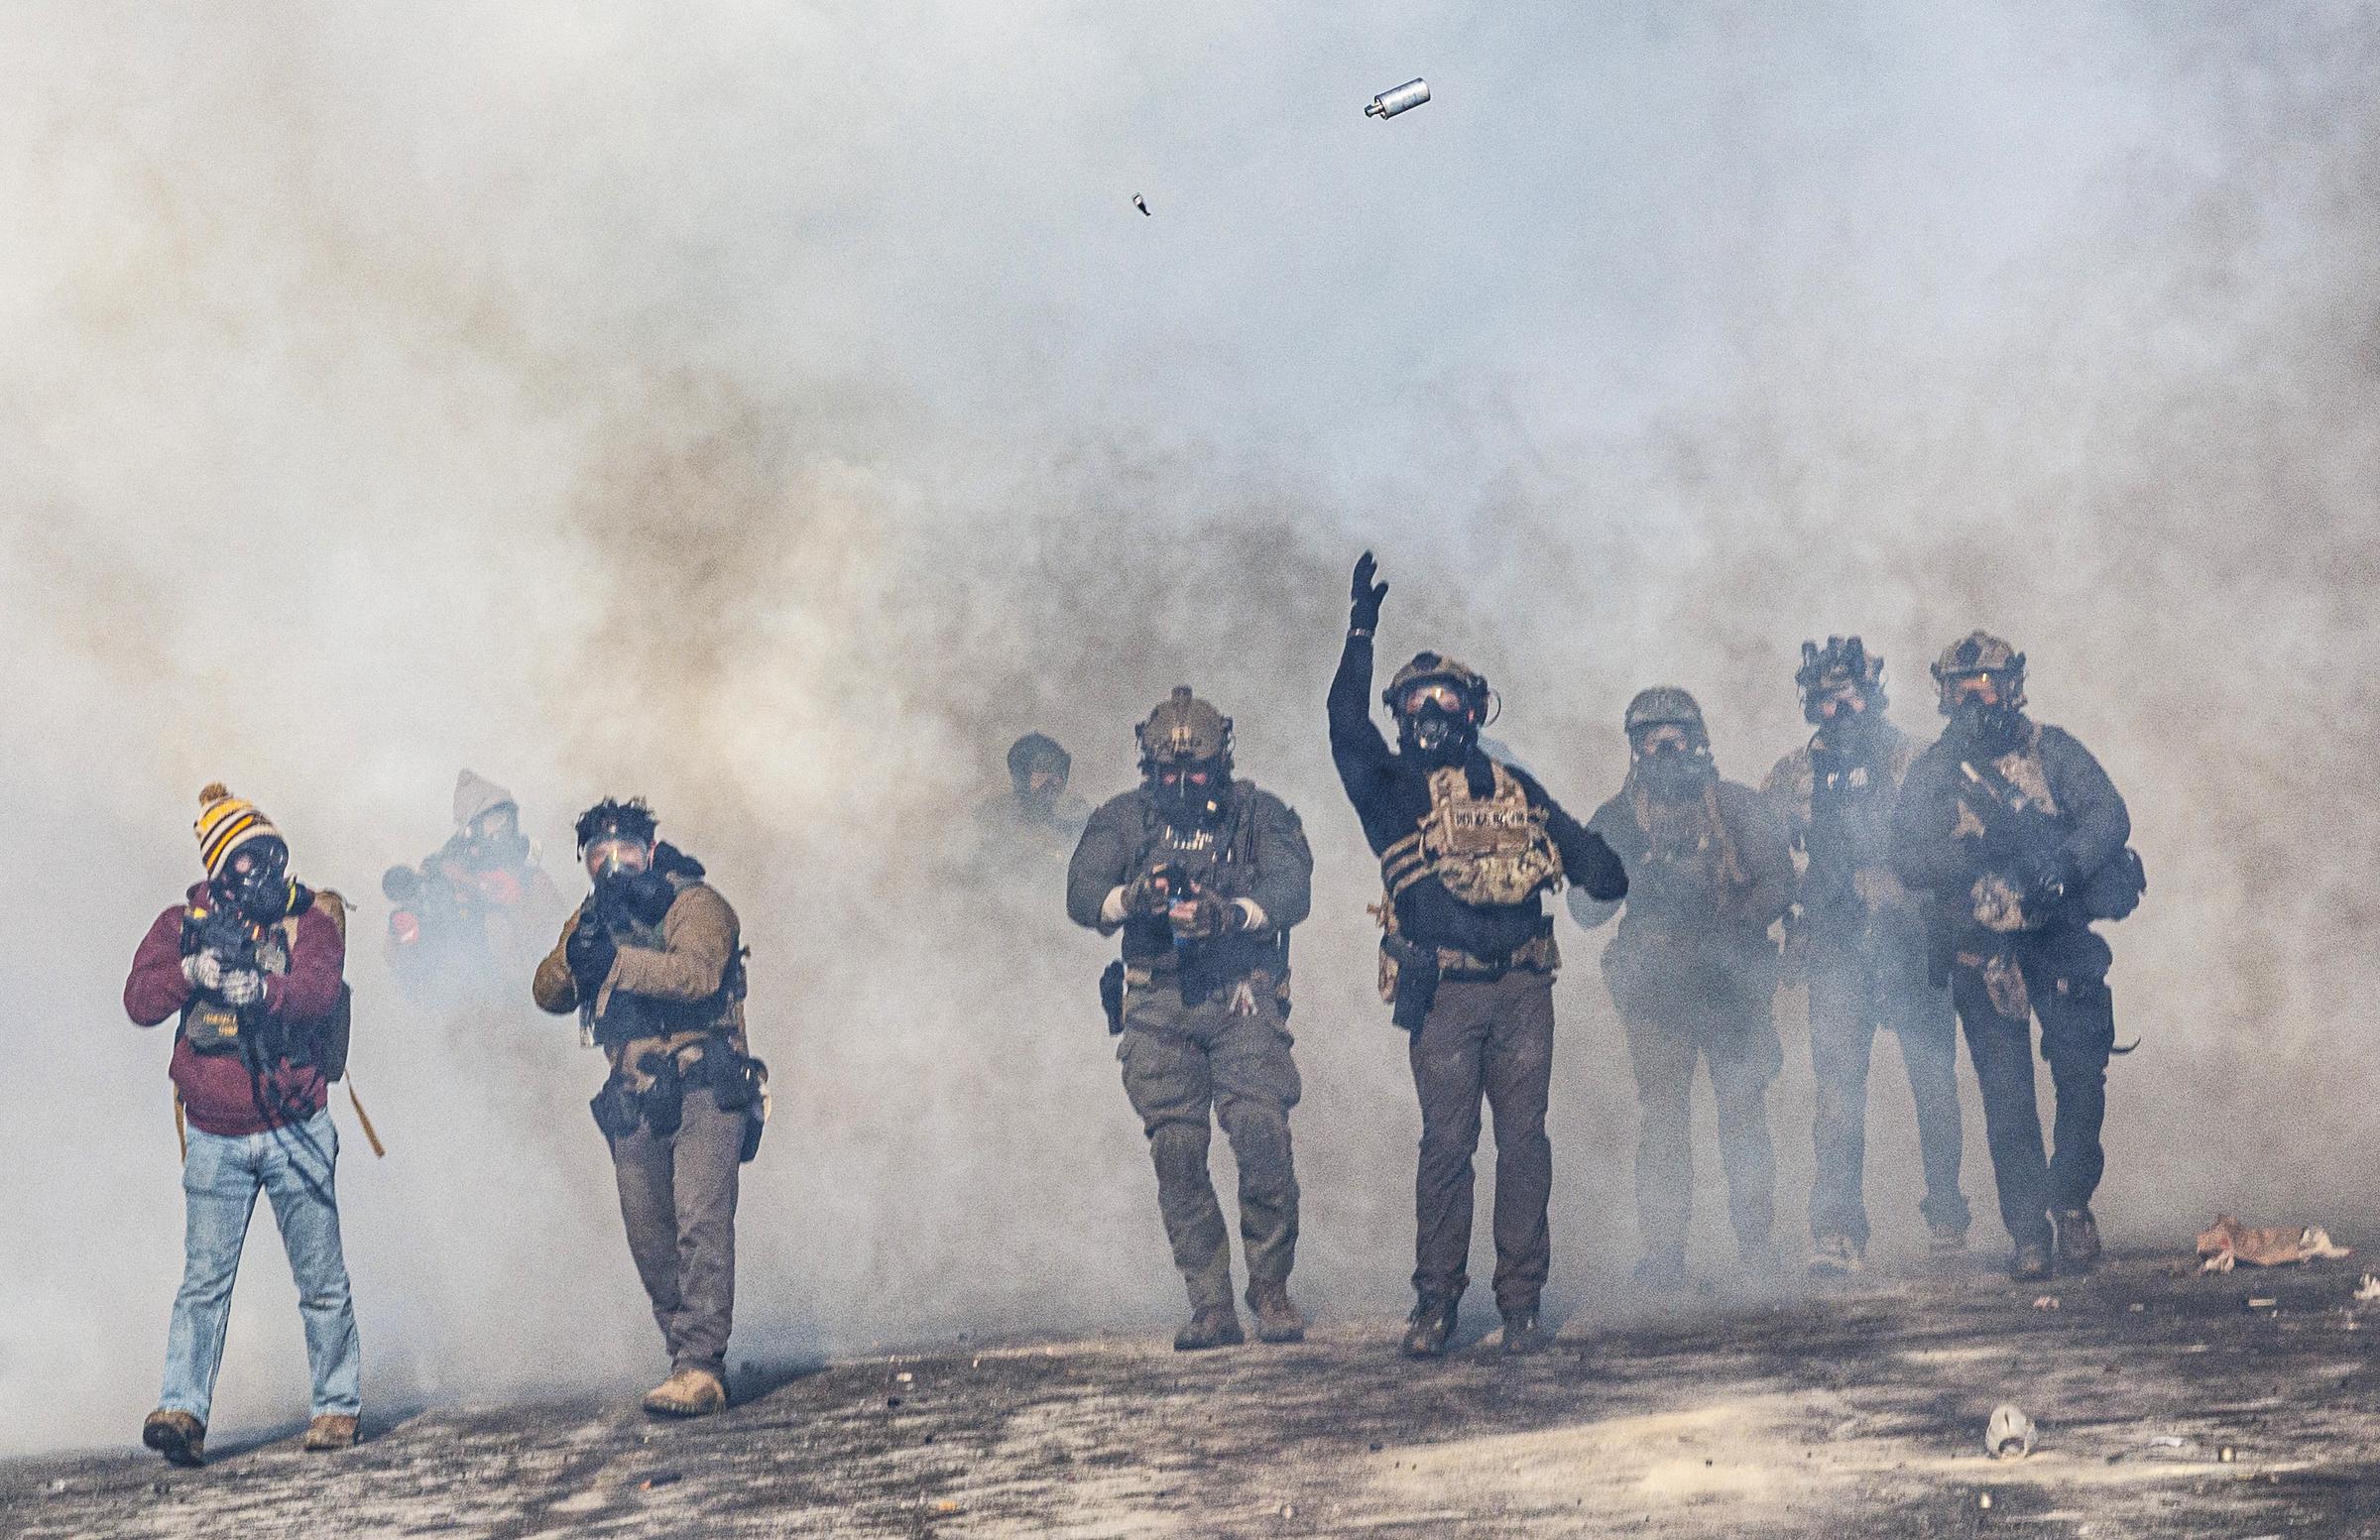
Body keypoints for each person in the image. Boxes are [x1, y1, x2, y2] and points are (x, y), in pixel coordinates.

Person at [1329, 553, 1627, 1358]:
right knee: (1447, 1148)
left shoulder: (1513, 786)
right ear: (1399, 713)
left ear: (1471, 709)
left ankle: (1522, 1303)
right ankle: (1437, 1306)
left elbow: (1598, 865)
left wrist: (1600, 856)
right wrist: (1360, 633)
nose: (1430, 712)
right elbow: (1342, 725)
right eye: (1415, 701)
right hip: (1446, 993)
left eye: (1446, 699)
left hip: (1526, 985)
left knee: (1525, 1143)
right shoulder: (1386, 786)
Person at [1066, 687, 1314, 1350]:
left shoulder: (1260, 814)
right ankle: (1210, 1301)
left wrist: (1233, 913)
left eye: (1197, 770)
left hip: (1240, 992)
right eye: (1168, 771)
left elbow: (1294, 888)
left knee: (1261, 1129)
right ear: (1147, 765)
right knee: (1176, 1148)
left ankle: (1271, 1286)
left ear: (1222, 761)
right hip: (1157, 1000)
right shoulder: (1122, 819)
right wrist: (1133, 897)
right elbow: (1081, 892)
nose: (1182, 781)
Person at [122, 785, 360, 1464]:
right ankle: (182, 1409)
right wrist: (188, 972)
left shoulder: (308, 919)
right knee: (203, 1283)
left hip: (295, 1126)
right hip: (214, 1133)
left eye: (272, 855)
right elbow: (138, 1000)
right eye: (249, 858)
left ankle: (338, 1404)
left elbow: (318, 992)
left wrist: (264, 991)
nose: (266, 871)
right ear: (222, 865)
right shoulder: (181, 923)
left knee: (321, 1277)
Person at [1891, 633, 2140, 1281]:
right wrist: (1970, 861)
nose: (1976, 700)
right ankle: (2029, 1231)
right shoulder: (1935, 771)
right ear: (1943, 696)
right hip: (1983, 943)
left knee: (2083, 1074)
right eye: (1960, 688)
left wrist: (2059, 866)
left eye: (1987, 685)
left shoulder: (2051, 750)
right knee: (2006, 1096)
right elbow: (1906, 854)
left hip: (2057, 931)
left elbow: (2109, 816)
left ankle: (2071, 1199)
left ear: (2013, 686)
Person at [533, 798, 768, 1415]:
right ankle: (681, 1352)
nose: (614, 865)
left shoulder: (696, 905)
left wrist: (618, 962)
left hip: (703, 1084)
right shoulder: (594, 917)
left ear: (651, 851)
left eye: (626, 852)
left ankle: (700, 1364)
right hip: (633, 1092)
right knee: (649, 1234)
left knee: (700, 1221)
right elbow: (548, 993)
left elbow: (697, 974)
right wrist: (576, 954)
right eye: (598, 856)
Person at [1573, 688, 1794, 1291]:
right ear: (1635, 747)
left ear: (1698, 738)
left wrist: (1730, 919)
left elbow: (1780, 882)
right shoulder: (1618, 818)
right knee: (1664, 1123)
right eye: (1652, 736)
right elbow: (1585, 911)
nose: (1667, 747)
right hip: (1656, 996)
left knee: (1743, 1117)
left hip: (1731, 989)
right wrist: (1618, 872)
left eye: (1678, 734)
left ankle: (1755, 1247)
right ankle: (1665, 1255)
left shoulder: (1738, 807)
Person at [1762, 637, 1969, 1274]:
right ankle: (1835, 1227)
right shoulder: (1794, 772)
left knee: (1934, 1086)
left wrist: (1906, 887)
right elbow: (1766, 858)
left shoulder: (1914, 761)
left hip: (1909, 944)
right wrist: (1789, 912)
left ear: (1871, 692)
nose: (1836, 705)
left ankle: (1945, 1208)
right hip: (1837, 948)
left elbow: (1954, 842)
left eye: (1846, 691)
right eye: (1822, 696)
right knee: (1838, 1098)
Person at [384, 770, 565, 1001]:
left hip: (524, 1001)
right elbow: (407, 966)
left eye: (506, 820)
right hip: (461, 1009)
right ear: (471, 829)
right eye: (493, 821)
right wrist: (405, 939)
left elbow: (557, 938)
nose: (502, 829)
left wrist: (515, 903)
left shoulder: (529, 877)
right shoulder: (439, 877)